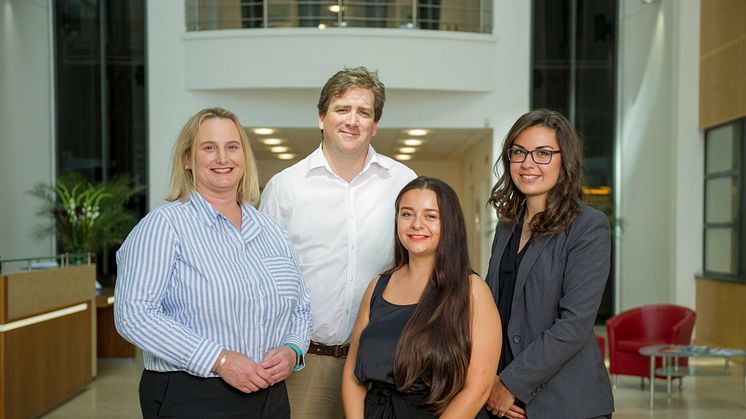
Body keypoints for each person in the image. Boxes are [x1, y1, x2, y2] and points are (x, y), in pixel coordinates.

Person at [115, 107, 312, 419]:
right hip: (193, 394)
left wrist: (293, 349)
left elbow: (301, 307)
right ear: (187, 159)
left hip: (271, 396)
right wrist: (219, 360)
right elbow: (134, 315)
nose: (223, 158)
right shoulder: (164, 226)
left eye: (232, 147)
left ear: (244, 157)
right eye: (209, 148)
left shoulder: (272, 231)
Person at [259, 66, 417, 419]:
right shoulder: (285, 188)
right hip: (304, 362)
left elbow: (422, 263)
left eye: (364, 112)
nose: (353, 120)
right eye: (342, 109)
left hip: (383, 365)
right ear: (321, 117)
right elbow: (262, 279)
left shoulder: (403, 183)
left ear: (375, 125)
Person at [484, 109, 614, 419]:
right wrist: (489, 380)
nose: (528, 163)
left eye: (543, 153)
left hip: (566, 403)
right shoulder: (507, 226)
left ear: (564, 160)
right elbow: (494, 311)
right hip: (502, 399)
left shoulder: (588, 227)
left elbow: (573, 326)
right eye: (519, 152)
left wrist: (511, 384)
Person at [342, 176, 501, 418]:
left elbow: (477, 388)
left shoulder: (472, 290)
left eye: (431, 216)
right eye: (407, 214)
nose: (417, 224)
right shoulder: (377, 287)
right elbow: (352, 374)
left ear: (449, 224)